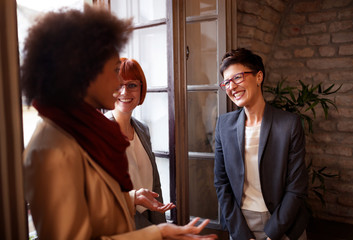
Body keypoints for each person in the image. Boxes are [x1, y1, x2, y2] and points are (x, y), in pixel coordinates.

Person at [21, 5, 217, 240]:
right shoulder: (52, 147)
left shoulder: (85, 129)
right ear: (84, 72)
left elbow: (96, 203)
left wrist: (133, 198)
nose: (120, 85)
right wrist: (158, 233)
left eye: (131, 83)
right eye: (115, 71)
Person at [214, 48, 309, 240]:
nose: (231, 87)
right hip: (241, 223)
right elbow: (221, 183)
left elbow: (296, 187)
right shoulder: (224, 125)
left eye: (238, 77)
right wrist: (241, 234)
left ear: (259, 77)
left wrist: (272, 234)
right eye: (226, 82)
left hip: (284, 223)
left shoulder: (289, 124)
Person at [104, 58, 168, 229]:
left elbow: (155, 184)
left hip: (150, 219)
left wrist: (161, 227)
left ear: (141, 89)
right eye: (118, 85)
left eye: (132, 85)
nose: (124, 92)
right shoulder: (100, 133)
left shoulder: (143, 129)